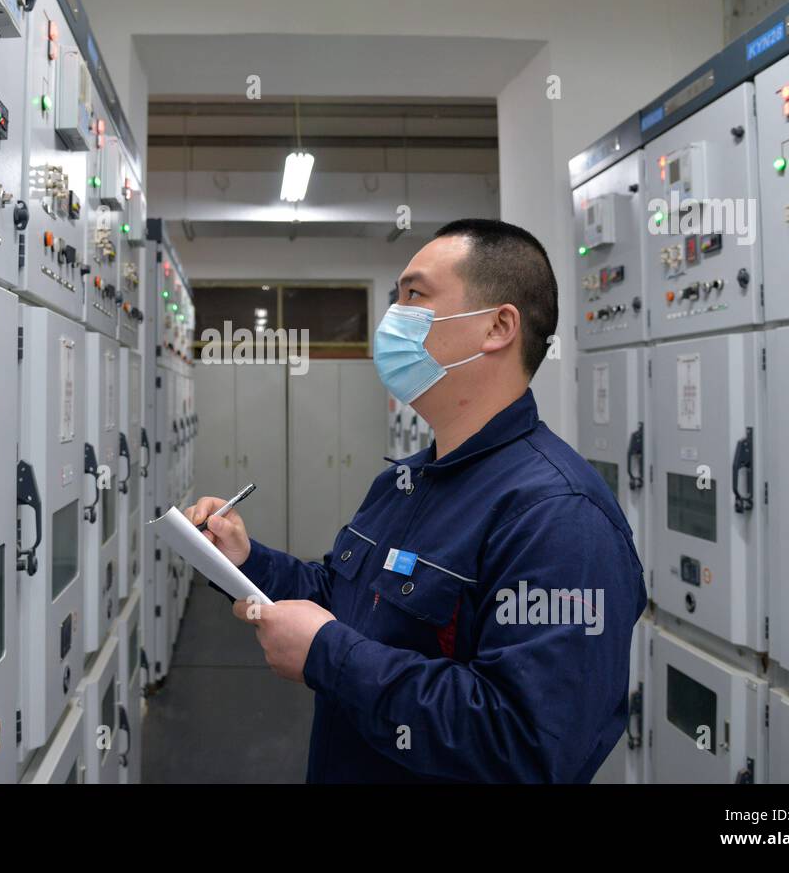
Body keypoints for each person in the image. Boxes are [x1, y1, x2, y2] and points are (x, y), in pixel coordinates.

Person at [185, 218, 647, 783]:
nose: (391, 320)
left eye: (414, 296)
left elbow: (530, 745)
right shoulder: (406, 480)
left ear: (498, 326)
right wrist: (245, 560)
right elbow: (343, 599)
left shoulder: (559, 515)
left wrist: (328, 656)